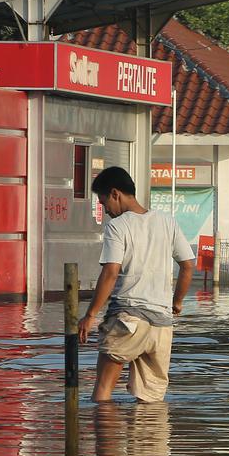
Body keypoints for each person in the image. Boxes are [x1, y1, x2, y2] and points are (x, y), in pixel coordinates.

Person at [78, 166, 195, 403]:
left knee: (102, 394)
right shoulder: (166, 221)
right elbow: (188, 265)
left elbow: (111, 272)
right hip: (161, 326)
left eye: (103, 203)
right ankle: (149, 440)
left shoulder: (118, 226)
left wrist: (90, 315)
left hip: (128, 319)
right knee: (150, 403)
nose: (105, 210)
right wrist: (177, 302)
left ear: (115, 193)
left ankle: (104, 439)